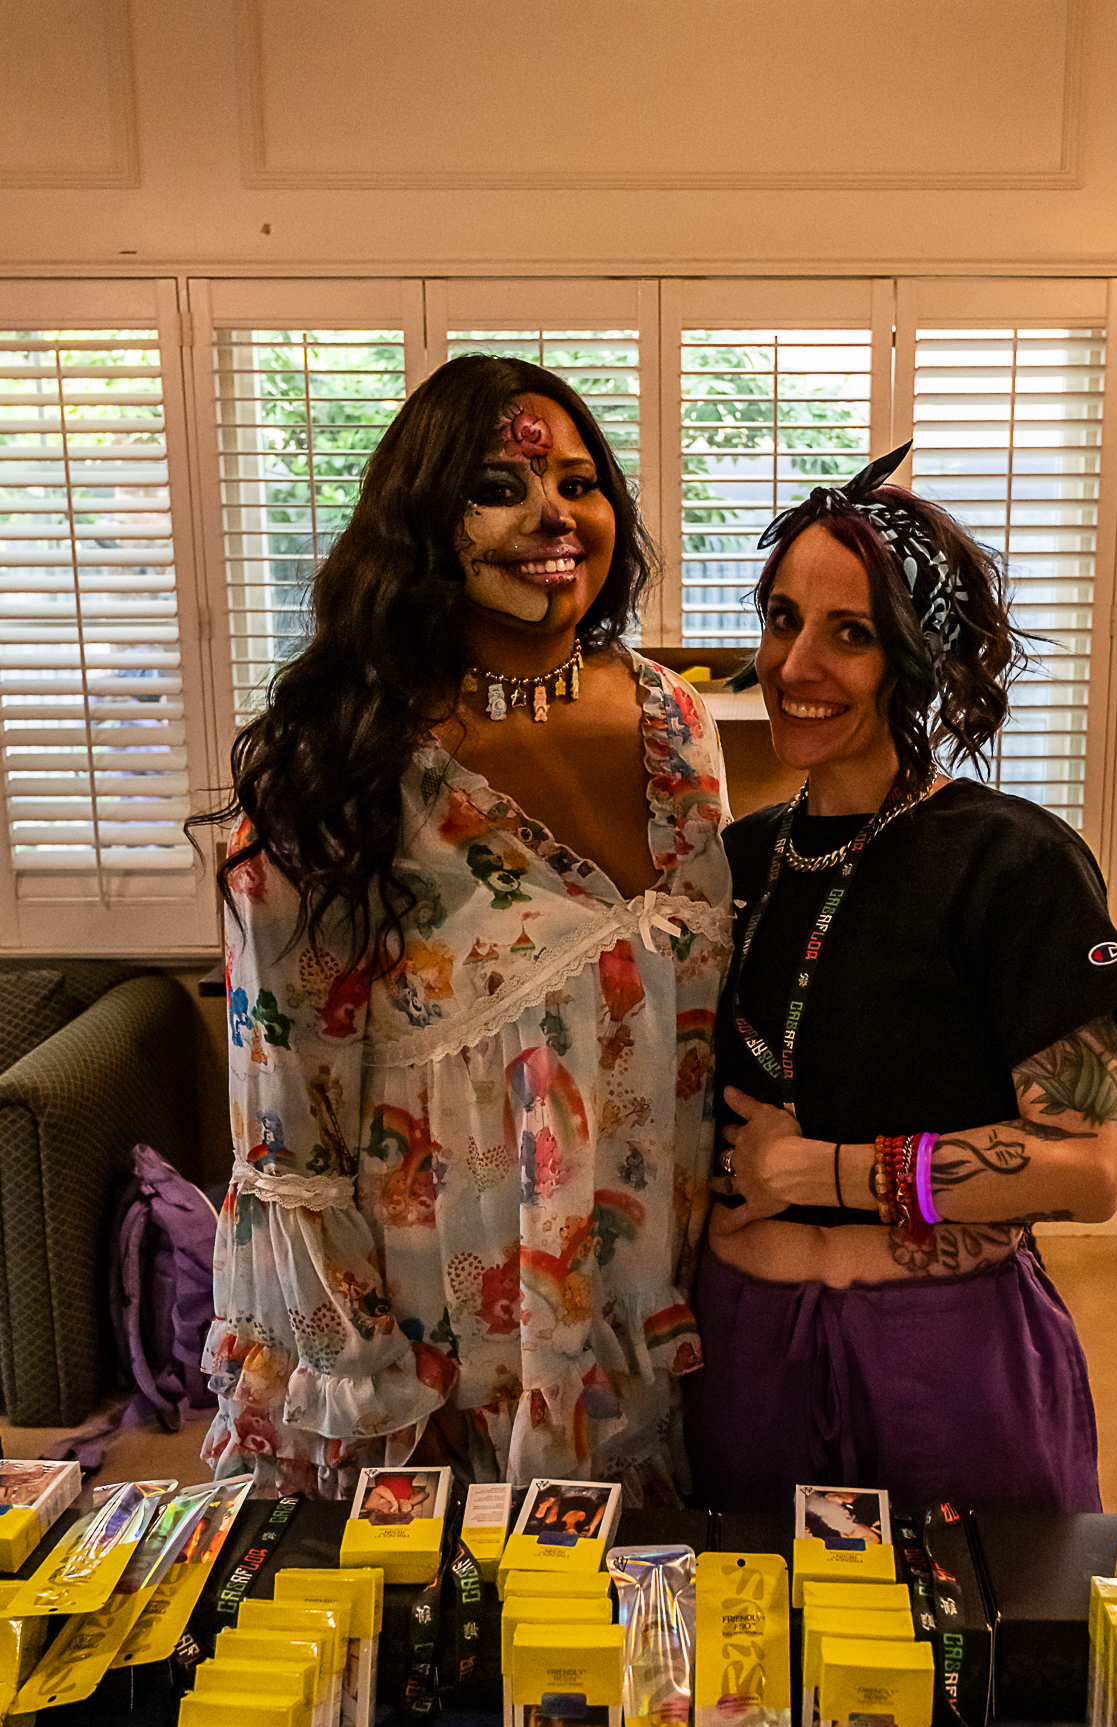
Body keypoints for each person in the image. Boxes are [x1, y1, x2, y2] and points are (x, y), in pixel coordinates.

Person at [197, 355, 730, 1502]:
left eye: (580, 482)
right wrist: (350, 1353)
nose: (555, 514)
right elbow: (285, 1096)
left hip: (643, 1289)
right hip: (437, 1313)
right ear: (418, 521)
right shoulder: (333, 757)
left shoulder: (676, 722)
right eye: (499, 486)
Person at [685, 446, 1117, 1514]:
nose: (795, 664)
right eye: (781, 619)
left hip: (945, 1358)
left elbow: (1088, 1170)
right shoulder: (733, 860)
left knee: (986, 1616)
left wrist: (818, 1170)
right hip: (746, 1350)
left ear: (921, 653)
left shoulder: (1011, 861)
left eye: (850, 633)